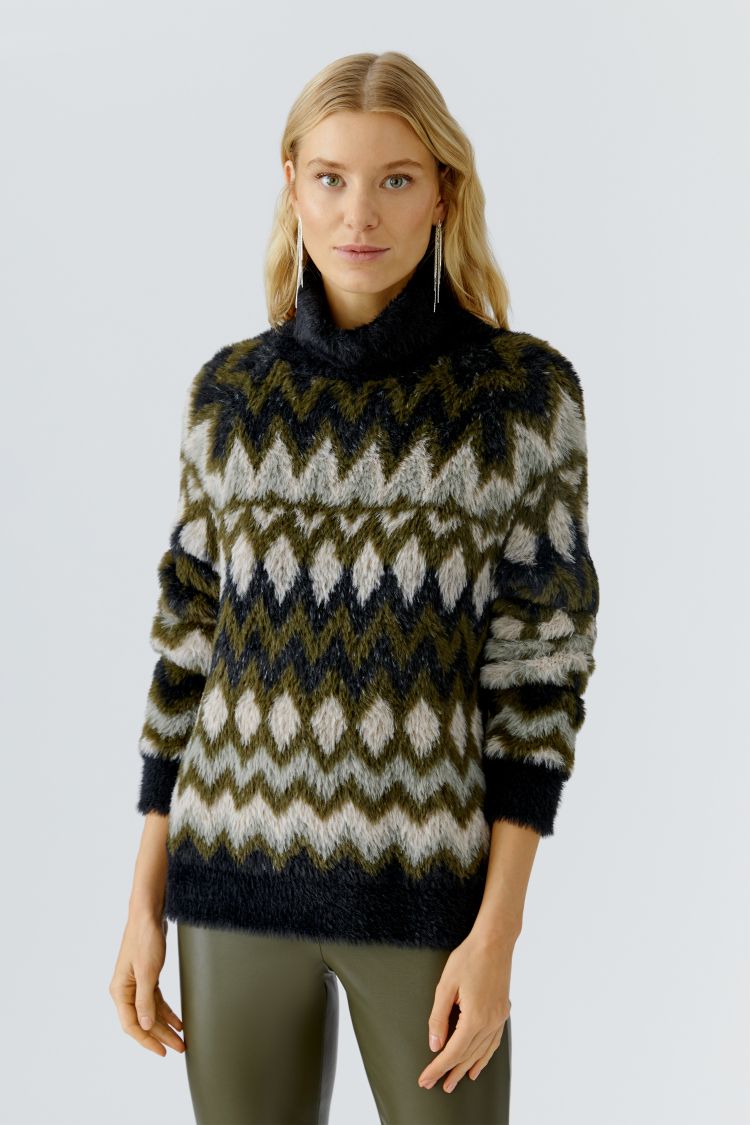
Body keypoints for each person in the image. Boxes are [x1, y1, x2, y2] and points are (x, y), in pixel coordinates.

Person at [110, 50, 599, 1125]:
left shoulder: (519, 399)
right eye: (331, 177)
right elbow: (188, 647)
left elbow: (541, 679)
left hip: (425, 902)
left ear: (443, 193)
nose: (359, 212)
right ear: (292, 183)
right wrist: (144, 902)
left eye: (395, 179)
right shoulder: (230, 397)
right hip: (229, 887)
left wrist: (497, 933)